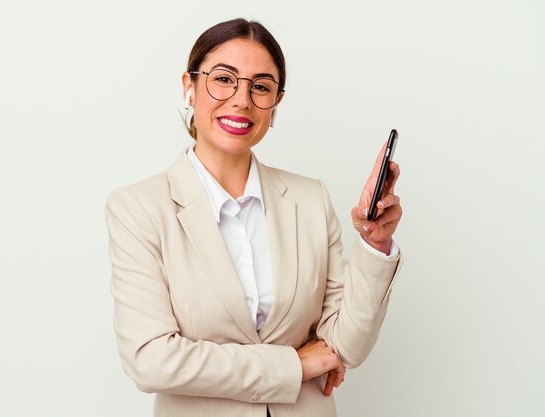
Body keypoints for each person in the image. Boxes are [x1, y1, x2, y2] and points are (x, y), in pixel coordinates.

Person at [105, 17, 403, 417]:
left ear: (276, 103)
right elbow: (151, 359)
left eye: (260, 87)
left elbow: (347, 345)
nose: (242, 100)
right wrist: (293, 366)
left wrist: (374, 242)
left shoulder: (310, 199)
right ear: (189, 87)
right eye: (224, 79)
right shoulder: (138, 208)